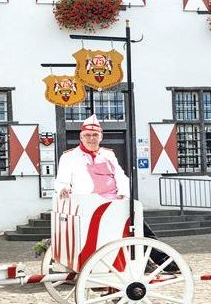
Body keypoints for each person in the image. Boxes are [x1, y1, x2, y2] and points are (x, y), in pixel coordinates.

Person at [55, 114, 177, 271]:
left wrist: (124, 194)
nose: (91, 139)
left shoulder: (108, 154)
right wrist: (64, 188)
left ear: (101, 137)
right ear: (81, 136)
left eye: (95, 135)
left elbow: (121, 176)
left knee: (139, 225)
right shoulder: (69, 157)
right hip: (90, 205)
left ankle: (162, 260)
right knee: (124, 228)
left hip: (115, 202)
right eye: (87, 135)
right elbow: (61, 181)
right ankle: (143, 262)